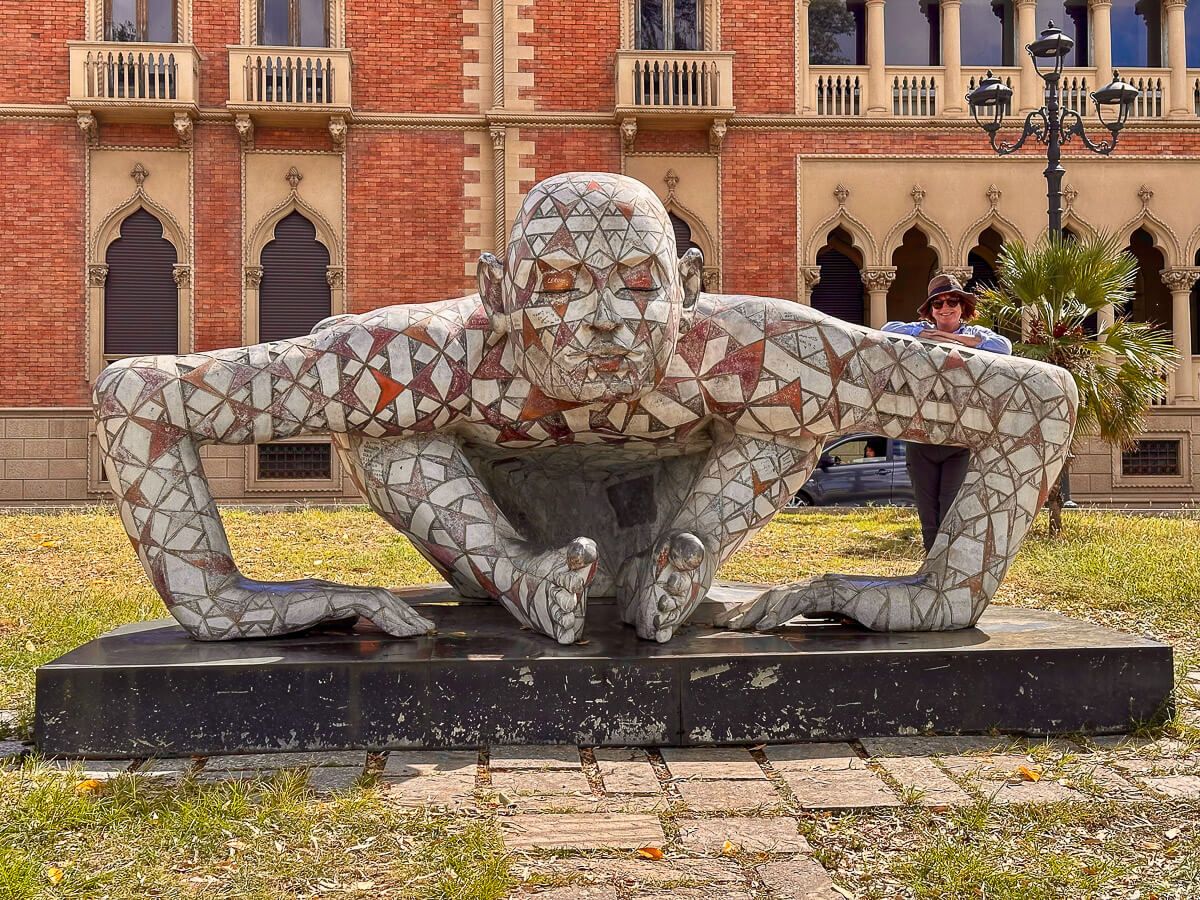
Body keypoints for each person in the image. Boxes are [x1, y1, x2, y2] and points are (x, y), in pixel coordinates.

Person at [882, 273, 1013, 554]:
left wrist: (950, 339)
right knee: (928, 518)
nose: (945, 308)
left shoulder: (977, 334)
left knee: (951, 512)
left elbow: (1004, 347)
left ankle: (946, 574)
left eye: (952, 301)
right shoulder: (918, 329)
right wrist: (925, 333)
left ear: (963, 306)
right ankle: (931, 574)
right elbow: (886, 330)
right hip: (922, 438)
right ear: (930, 310)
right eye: (937, 303)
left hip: (958, 440)